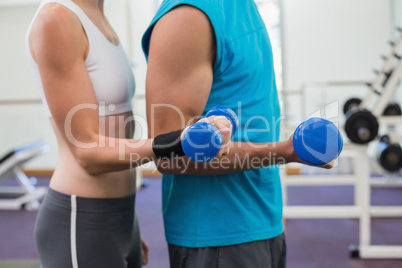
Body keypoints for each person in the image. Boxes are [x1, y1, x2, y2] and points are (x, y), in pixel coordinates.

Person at [25, 0, 232, 267]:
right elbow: (87, 151)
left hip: (121, 214)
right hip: (81, 216)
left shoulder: (99, 15)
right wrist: (176, 144)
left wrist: (128, 225)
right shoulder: (56, 18)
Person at [142, 1, 333, 267]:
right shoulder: (190, 15)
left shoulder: (244, 6)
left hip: (262, 220)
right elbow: (168, 154)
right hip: (218, 236)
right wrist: (286, 152)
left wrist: (272, 210)